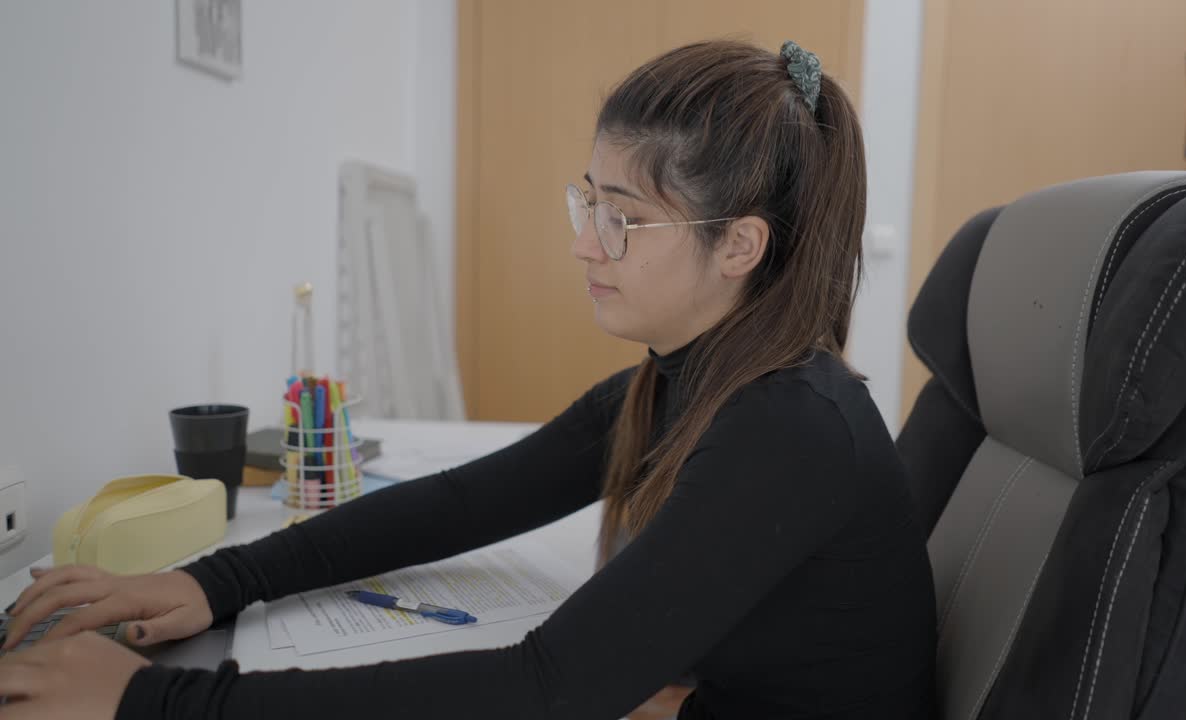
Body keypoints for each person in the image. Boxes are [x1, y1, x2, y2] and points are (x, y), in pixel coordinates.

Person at [0, 39, 937, 719]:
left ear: (739, 244)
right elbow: (461, 503)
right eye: (587, 200)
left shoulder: (788, 426)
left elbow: (550, 688)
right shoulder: (692, 379)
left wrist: (159, 703)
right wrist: (217, 582)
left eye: (620, 218)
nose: (582, 243)